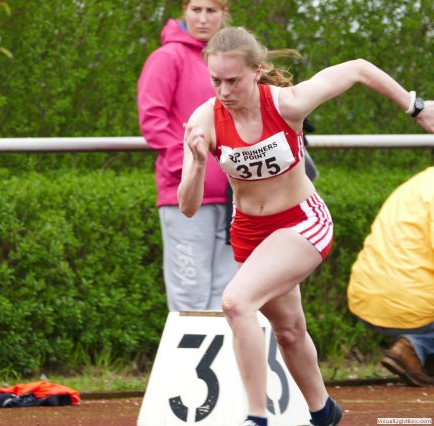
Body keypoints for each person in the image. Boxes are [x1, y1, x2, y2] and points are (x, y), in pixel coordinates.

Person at [177, 26, 434, 426]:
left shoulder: (288, 104)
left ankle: (255, 417)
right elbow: (188, 207)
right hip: (250, 233)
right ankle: (323, 411)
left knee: (236, 303)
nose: (224, 91)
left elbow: (358, 68)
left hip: (302, 222)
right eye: (216, 81)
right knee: (289, 331)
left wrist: (416, 107)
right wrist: (195, 164)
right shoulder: (204, 119)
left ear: (257, 71)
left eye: (233, 81)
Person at [137, 0, 237, 312]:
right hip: (186, 198)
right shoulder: (167, 57)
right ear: (184, 10)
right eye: (196, 10)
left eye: (211, 11)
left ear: (224, 14)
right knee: (190, 299)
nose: (203, 19)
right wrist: (190, 169)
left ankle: (227, 350)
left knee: (230, 297)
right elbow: (152, 119)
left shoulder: (233, 61)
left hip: (236, 197)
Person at [347, 167, 434, 387]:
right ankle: (416, 346)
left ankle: (420, 352)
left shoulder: (420, 181)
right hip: (410, 303)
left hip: (366, 297)